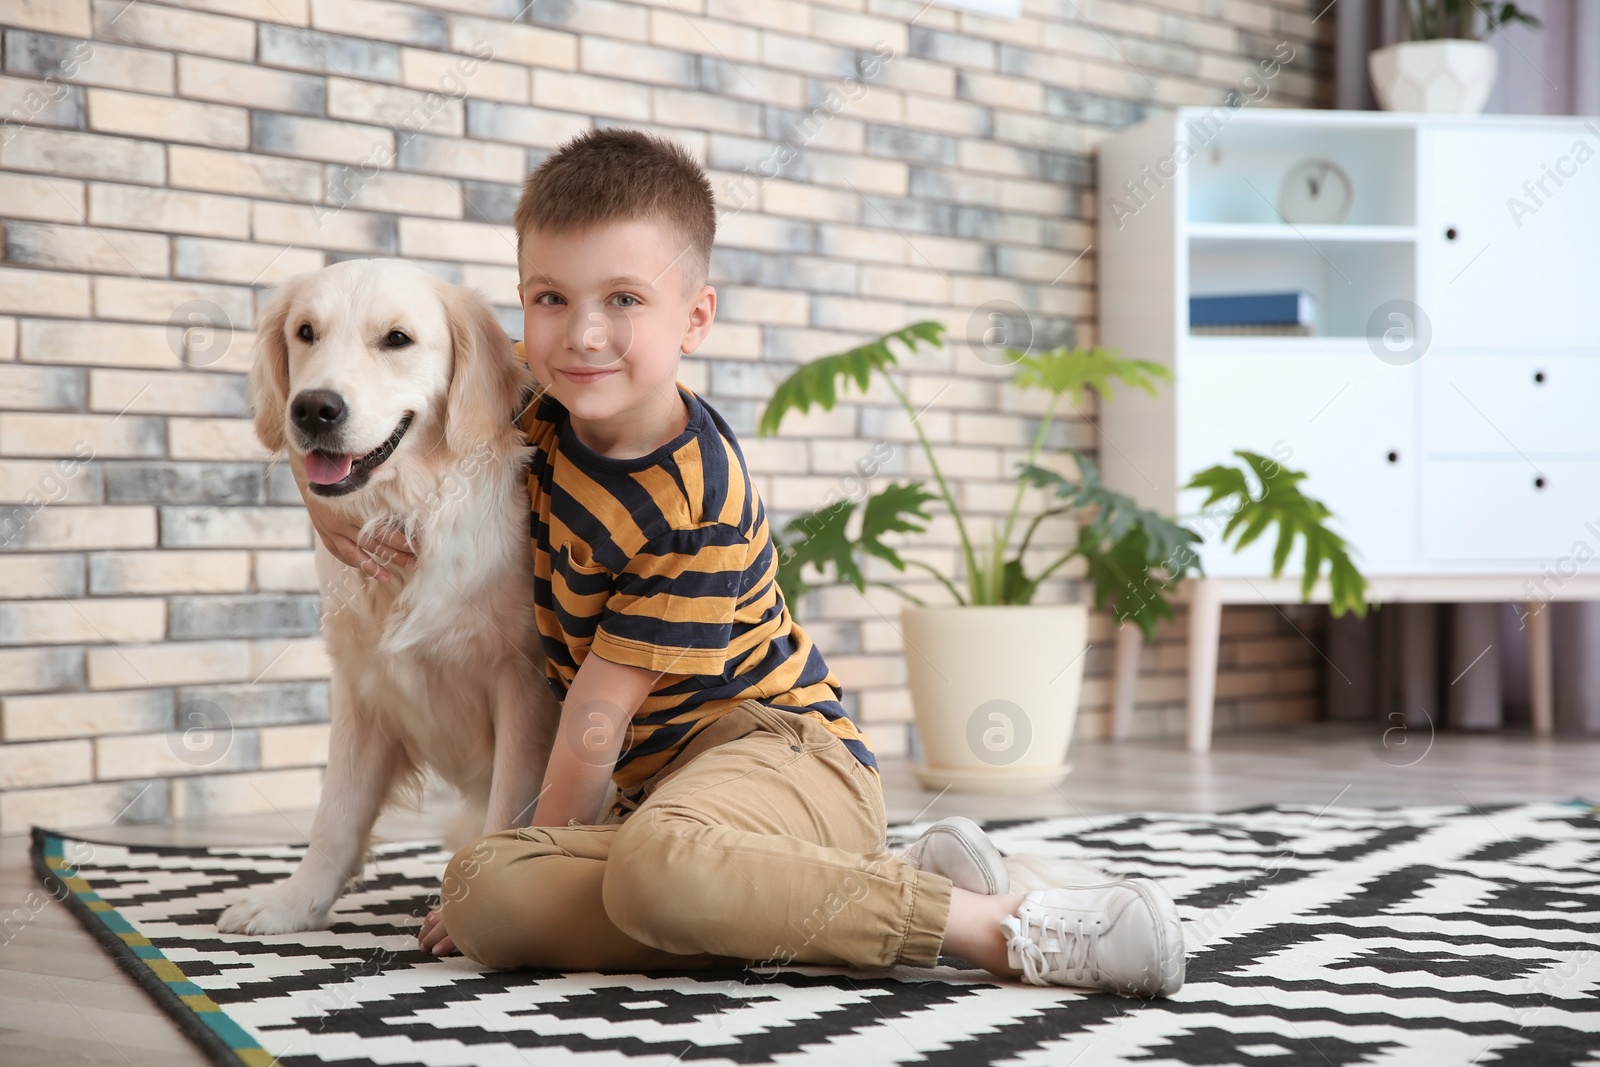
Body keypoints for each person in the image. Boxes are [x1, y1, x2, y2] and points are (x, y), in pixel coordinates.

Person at [302, 128, 1186, 995]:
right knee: (487, 901)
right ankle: (833, 874)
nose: (583, 334)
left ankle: (1000, 924)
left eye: (625, 300)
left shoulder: (692, 499)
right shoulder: (542, 410)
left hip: (779, 749)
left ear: (696, 317)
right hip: (663, 798)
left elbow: (595, 723)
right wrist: (322, 498)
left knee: (650, 873)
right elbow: (385, 422)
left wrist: (540, 846)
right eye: (551, 299)